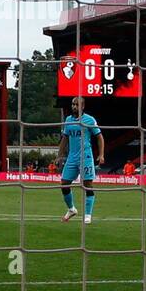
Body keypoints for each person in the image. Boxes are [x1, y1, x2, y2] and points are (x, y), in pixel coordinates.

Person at [57, 95, 104, 225]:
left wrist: (101, 155)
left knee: (87, 184)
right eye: (73, 104)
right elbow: (64, 139)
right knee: (64, 184)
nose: (74, 106)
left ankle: (88, 214)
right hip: (72, 157)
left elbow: (99, 137)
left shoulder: (89, 120)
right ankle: (71, 209)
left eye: (77, 104)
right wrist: (59, 155)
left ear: (82, 106)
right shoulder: (68, 120)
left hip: (86, 156)